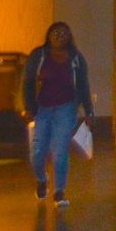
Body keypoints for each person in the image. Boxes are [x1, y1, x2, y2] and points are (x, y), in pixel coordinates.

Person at [22, 21, 95, 207]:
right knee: (37, 151)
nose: (59, 37)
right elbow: (28, 82)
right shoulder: (38, 56)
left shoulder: (75, 58)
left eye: (63, 34)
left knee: (60, 150)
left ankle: (59, 191)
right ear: (48, 35)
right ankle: (41, 179)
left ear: (69, 37)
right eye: (55, 33)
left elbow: (83, 84)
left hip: (66, 107)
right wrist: (28, 107)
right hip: (42, 108)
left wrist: (89, 110)